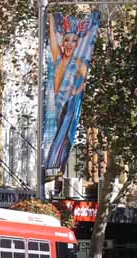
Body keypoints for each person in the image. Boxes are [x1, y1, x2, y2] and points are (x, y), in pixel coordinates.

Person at [44, 12, 99, 172]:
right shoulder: (57, 57)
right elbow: (52, 35)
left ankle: (56, 163)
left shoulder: (79, 63)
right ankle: (52, 163)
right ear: (63, 42)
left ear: (77, 45)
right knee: (53, 136)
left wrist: (76, 90)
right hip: (55, 103)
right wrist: (51, 18)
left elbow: (85, 79)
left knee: (63, 135)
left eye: (74, 41)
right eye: (67, 40)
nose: (69, 43)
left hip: (67, 104)